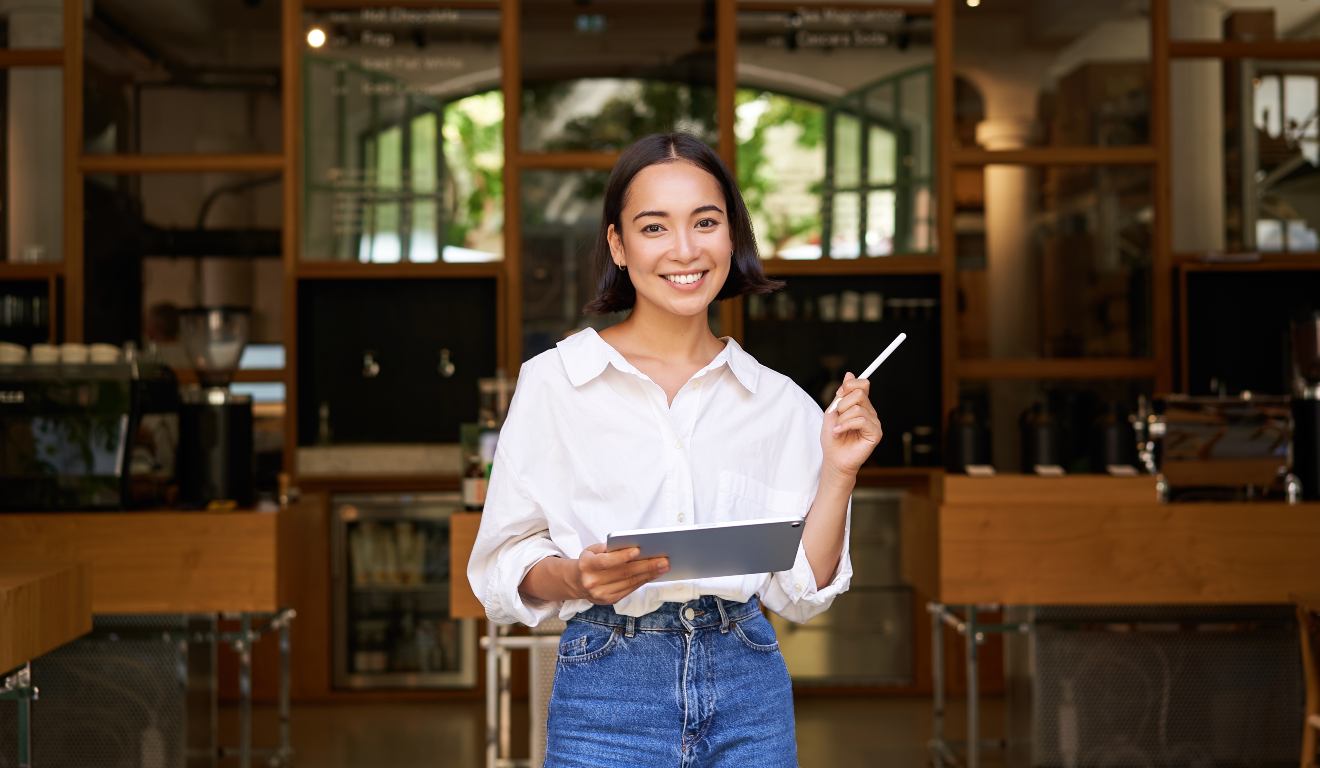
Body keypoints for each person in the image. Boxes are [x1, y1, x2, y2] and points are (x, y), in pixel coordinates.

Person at [467, 132, 883, 767]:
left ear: (732, 235)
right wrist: (577, 576)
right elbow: (505, 562)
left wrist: (839, 472)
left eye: (706, 222)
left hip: (750, 687)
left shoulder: (780, 402)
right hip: (605, 693)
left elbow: (801, 591)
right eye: (654, 226)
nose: (685, 250)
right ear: (618, 244)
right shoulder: (556, 382)